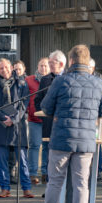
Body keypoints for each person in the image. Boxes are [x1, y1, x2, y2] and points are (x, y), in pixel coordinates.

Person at [39, 45, 102, 203]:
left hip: (61, 139)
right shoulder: (99, 83)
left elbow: (46, 107)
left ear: (70, 61)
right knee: (81, 184)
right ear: (88, 62)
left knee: (55, 182)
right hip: (86, 141)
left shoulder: (61, 81)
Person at [0, 58, 34, 199]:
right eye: (1, 68)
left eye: (7, 67)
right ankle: (5, 188)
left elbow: (24, 103)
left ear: (11, 68)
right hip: (1, 126)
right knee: (2, 160)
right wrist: (4, 119)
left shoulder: (21, 83)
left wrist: (14, 119)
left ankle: (26, 188)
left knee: (22, 159)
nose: (5, 70)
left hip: (18, 127)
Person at [34, 50, 66, 184]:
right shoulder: (45, 79)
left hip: (64, 124)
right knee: (47, 150)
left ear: (61, 64)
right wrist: (44, 115)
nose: (49, 65)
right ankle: (47, 178)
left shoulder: (68, 78)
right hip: (48, 123)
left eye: (52, 63)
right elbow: (38, 101)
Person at [25, 57, 49, 184]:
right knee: (34, 146)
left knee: (47, 146)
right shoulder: (29, 80)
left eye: (46, 66)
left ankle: (45, 172)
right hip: (34, 119)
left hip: (48, 120)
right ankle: (33, 173)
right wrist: (29, 110)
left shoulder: (53, 80)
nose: (43, 68)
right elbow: (25, 97)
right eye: (41, 65)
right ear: (37, 67)